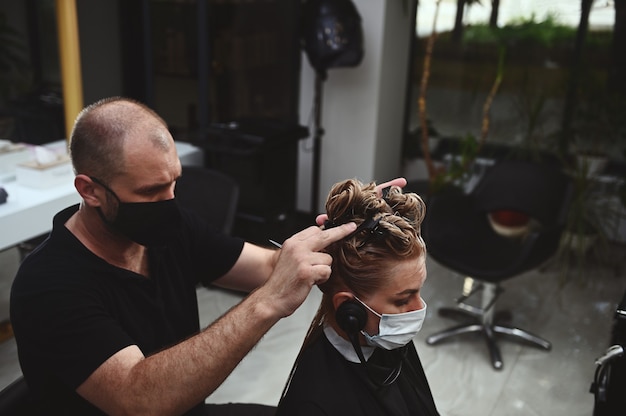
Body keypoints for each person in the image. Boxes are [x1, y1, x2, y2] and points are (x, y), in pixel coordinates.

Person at [9, 96, 360, 416]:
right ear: (90, 190)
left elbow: (270, 266)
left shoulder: (168, 228)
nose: (169, 201)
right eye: (150, 191)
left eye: (174, 182)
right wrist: (266, 304)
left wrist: (350, 229)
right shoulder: (48, 285)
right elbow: (140, 401)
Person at [276, 178, 439, 416]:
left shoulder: (385, 339)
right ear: (349, 309)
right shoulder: (314, 404)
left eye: (418, 292)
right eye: (403, 300)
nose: (419, 307)